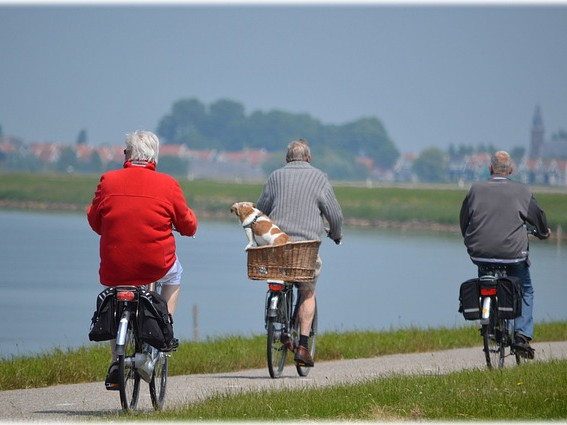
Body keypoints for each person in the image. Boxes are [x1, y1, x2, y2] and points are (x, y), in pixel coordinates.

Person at [87, 130, 198, 389]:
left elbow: (94, 220)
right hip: (155, 264)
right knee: (176, 274)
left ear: (127, 155)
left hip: (115, 265)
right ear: (154, 158)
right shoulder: (168, 184)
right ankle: (165, 326)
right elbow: (187, 223)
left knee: (116, 295)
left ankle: (117, 359)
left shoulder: (108, 180)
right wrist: (189, 226)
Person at [256, 138, 343, 367]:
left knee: (279, 278)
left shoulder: (275, 176)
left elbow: (259, 211)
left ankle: (278, 320)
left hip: (277, 249)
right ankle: (303, 346)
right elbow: (335, 215)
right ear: (309, 159)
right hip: (306, 251)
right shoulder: (319, 178)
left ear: (286, 159)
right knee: (307, 291)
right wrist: (336, 234)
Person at [459, 150, 550, 357]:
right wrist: (544, 233)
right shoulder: (522, 191)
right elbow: (539, 218)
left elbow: (464, 219)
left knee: (486, 281)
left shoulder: (475, 189)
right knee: (525, 289)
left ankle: (490, 323)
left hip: (480, 252)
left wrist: (469, 239)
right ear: (511, 170)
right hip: (513, 254)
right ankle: (522, 336)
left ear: (490, 169)